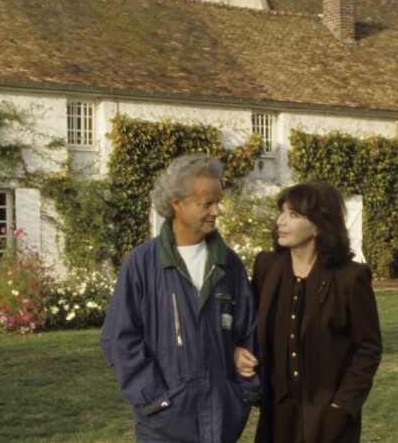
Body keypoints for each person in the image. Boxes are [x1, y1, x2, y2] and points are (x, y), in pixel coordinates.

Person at [100, 154, 261, 443]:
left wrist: (243, 386)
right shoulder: (142, 263)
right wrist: (154, 399)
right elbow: (119, 338)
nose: (217, 211)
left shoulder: (229, 264)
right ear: (177, 203)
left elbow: (248, 328)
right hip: (162, 423)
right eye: (207, 204)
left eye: (218, 201)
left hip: (222, 419)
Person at [235, 181, 382, 443]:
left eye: (294, 215)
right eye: (282, 212)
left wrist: (342, 406)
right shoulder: (266, 267)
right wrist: (237, 351)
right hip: (275, 410)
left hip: (327, 413)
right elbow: (244, 323)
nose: (281, 221)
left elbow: (368, 348)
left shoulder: (350, 277)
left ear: (319, 225)